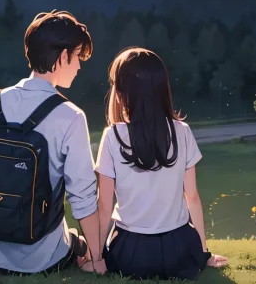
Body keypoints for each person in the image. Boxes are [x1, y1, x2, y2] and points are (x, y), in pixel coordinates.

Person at [0, 10, 106, 276]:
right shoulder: (71, 116)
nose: (79, 67)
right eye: (77, 58)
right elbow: (83, 197)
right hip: (41, 259)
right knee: (75, 241)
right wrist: (96, 258)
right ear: (63, 56)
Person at [90, 47, 227, 279]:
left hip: (131, 254)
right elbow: (192, 197)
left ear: (122, 92)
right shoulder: (182, 132)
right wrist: (203, 254)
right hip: (180, 251)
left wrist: (97, 258)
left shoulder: (112, 136)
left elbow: (104, 205)